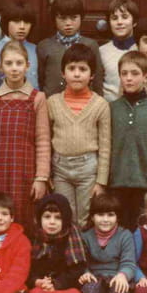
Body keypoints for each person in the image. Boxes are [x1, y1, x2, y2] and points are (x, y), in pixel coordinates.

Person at [0, 40, 50, 232]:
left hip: (26, 170)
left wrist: (41, 177)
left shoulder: (37, 98)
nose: (14, 68)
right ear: (0, 67)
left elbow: (43, 141)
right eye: (9, 63)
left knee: (25, 215)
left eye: (19, 63)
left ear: (28, 65)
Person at [47, 43, 111, 226]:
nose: (76, 74)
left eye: (82, 69)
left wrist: (101, 181)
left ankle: (82, 245)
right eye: (71, 68)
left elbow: (105, 146)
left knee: (84, 217)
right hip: (60, 169)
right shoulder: (52, 102)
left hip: (88, 169)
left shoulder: (100, 105)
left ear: (92, 75)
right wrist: (47, 173)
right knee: (64, 213)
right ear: (63, 73)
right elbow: (45, 139)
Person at [108, 51, 147, 230]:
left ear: (145, 77)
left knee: (142, 231)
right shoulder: (111, 109)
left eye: (134, 73)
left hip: (145, 184)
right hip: (116, 183)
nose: (129, 78)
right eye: (124, 73)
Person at [38, 0, 103, 96]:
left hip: (84, 103)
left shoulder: (91, 45)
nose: (68, 23)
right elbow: (41, 79)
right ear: (54, 18)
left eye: (73, 18)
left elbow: (97, 80)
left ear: (81, 17)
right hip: (51, 102)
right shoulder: (44, 46)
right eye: (62, 18)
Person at [0, 0, 39, 98]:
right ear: (6, 23)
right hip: (3, 105)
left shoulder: (35, 50)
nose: (22, 27)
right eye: (16, 21)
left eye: (26, 22)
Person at [99, 0, 139, 101]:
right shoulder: (102, 52)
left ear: (134, 22)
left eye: (125, 17)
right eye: (114, 18)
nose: (119, 22)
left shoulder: (142, 50)